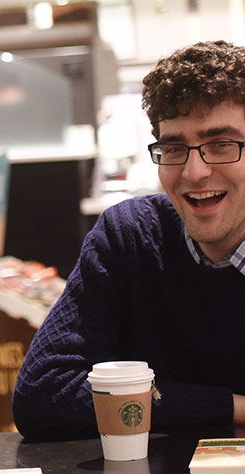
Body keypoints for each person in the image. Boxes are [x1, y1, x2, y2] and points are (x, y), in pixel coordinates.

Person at [13, 40, 245, 441]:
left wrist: (137, 400)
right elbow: (43, 395)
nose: (194, 172)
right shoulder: (130, 237)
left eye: (220, 145)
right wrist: (232, 407)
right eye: (174, 147)